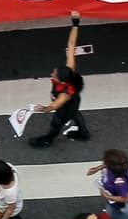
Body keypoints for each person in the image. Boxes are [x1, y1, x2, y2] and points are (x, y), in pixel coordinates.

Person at [29, 13, 90, 147]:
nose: (52, 73)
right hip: (74, 101)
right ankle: (83, 132)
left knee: (57, 122)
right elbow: (71, 44)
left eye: (54, 74)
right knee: (74, 113)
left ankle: (48, 139)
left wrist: (43, 108)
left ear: (62, 81)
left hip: (65, 107)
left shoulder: (64, 94)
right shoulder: (70, 70)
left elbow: (54, 106)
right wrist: (75, 24)